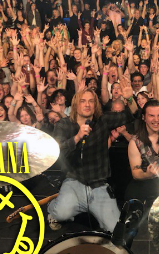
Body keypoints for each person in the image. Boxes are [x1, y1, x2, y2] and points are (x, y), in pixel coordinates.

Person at [47, 86, 136, 232]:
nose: (87, 104)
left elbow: (130, 115)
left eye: (91, 101)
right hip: (74, 181)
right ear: (75, 104)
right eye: (83, 101)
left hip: (98, 184)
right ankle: (52, 207)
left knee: (115, 229)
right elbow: (57, 150)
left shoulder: (103, 120)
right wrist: (77, 137)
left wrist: (130, 99)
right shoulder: (64, 124)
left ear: (95, 105)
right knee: (61, 214)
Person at [126, 100, 159, 203]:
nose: (156, 120)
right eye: (151, 116)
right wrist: (147, 174)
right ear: (144, 117)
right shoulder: (135, 142)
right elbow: (135, 173)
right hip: (150, 187)